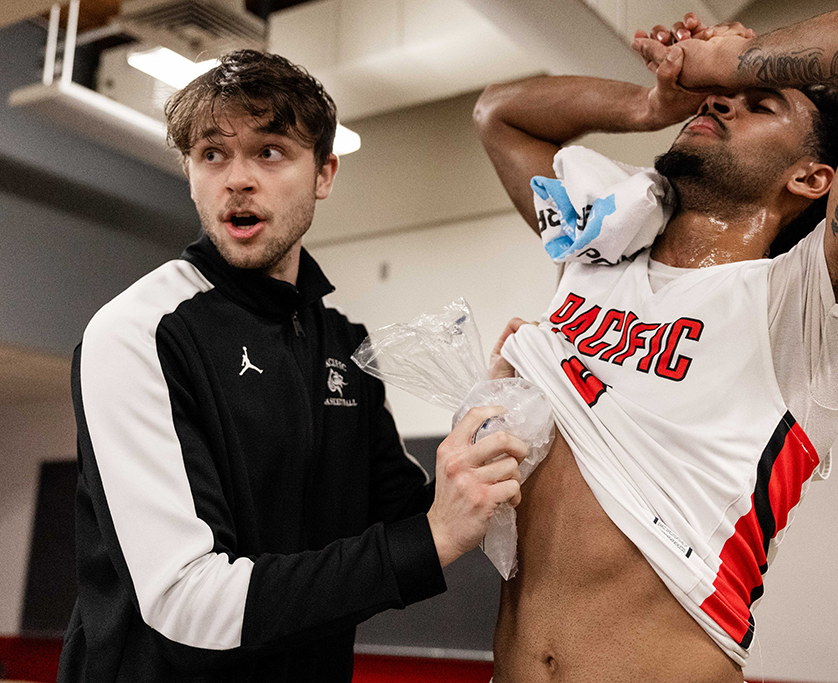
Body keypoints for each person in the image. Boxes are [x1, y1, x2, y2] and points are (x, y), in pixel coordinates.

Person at [474, 0, 838, 682]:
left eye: (761, 105)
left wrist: (740, 60)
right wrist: (650, 105)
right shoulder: (593, 253)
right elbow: (500, 115)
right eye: (719, 97)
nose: (721, 100)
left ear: (815, 177)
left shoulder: (812, 304)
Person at [58, 50, 528, 683]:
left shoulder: (338, 339)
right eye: (212, 154)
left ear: (324, 174)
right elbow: (187, 600)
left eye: (270, 151)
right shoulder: (138, 332)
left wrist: (490, 425)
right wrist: (437, 535)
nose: (237, 179)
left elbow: (403, 517)